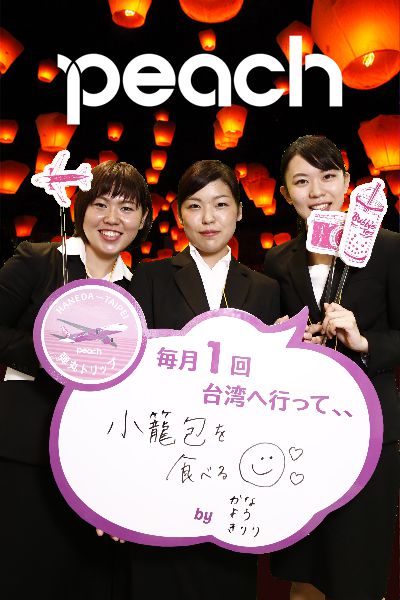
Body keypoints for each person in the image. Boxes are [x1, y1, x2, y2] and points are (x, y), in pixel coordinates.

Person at [0, 160, 152, 600]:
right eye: (100, 204)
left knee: (84, 579)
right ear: (80, 208)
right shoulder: (38, 260)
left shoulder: (139, 290)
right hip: (22, 450)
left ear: (143, 218)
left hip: (93, 460)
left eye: (127, 208)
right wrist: (52, 355)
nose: (112, 219)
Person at [128, 159, 280, 599]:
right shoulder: (151, 276)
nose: (208, 218)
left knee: (226, 579)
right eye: (195, 206)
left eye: (221, 204)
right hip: (162, 454)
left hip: (233, 466)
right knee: (158, 576)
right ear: (180, 215)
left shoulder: (265, 289)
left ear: (240, 211)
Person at [263, 135, 400, 600]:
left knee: (357, 570)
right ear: (286, 193)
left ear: (347, 182)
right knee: (305, 571)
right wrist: (282, 340)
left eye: (328, 176)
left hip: (368, 428)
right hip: (300, 430)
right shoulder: (278, 260)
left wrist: (364, 342)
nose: (317, 191)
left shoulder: (388, 249)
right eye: (302, 181)